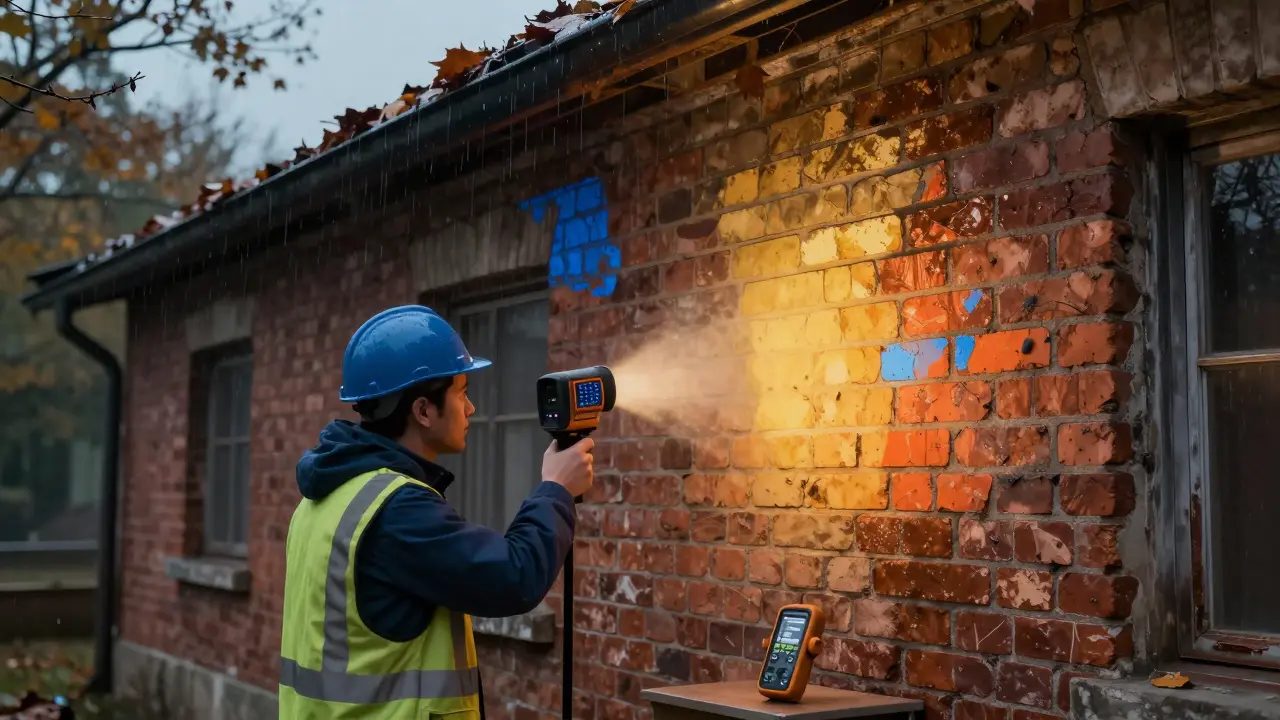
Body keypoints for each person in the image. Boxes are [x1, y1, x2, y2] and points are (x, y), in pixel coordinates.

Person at [278, 304, 595, 719]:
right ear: (424, 410)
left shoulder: (323, 498)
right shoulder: (395, 509)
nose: (471, 408)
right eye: (461, 392)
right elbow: (514, 576)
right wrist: (556, 489)